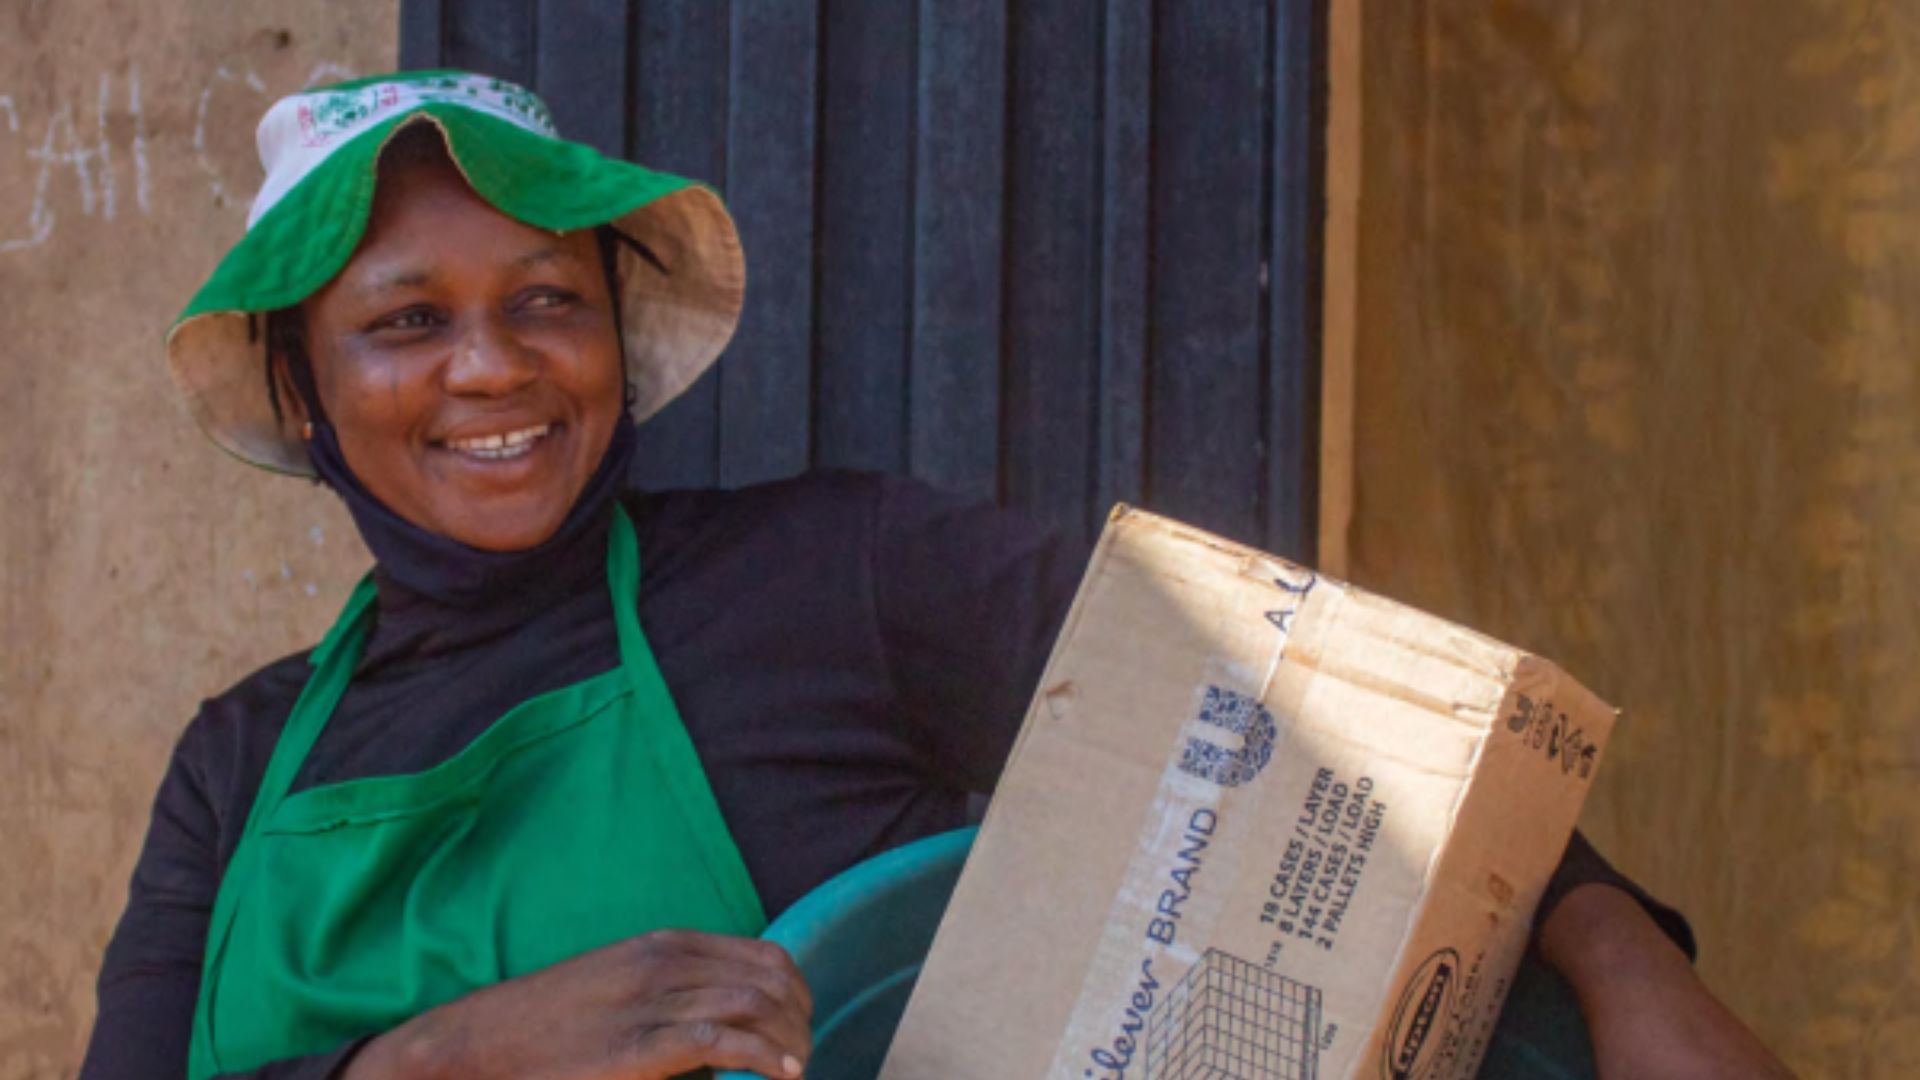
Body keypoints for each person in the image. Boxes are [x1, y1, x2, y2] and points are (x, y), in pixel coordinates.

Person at [79, 71, 1788, 1080]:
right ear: (302, 393)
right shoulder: (239, 765)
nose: (494, 371)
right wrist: (448, 1059)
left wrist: (1625, 959)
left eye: (548, 299)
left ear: (613, 329)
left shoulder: (838, 579)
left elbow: (1324, 729)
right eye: (404, 325)